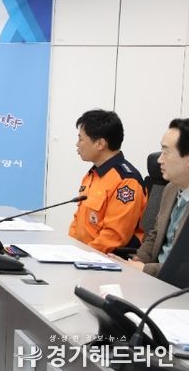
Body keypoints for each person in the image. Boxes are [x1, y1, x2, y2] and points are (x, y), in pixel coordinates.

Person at [68, 109, 147, 253]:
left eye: (81, 139)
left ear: (100, 144)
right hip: (83, 255)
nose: (77, 144)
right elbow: (78, 222)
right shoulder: (92, 175)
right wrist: (69, 247)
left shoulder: (126, 181)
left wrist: (81, 255)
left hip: (105, 258)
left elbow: (114, 237)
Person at [128, 118, 189, 276]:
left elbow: (185, 269)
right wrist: (136, 262)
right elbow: (155, 235)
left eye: (166, 153)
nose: (159, 160)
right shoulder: (170, 189)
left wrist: (144, 269)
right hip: (154, 279)